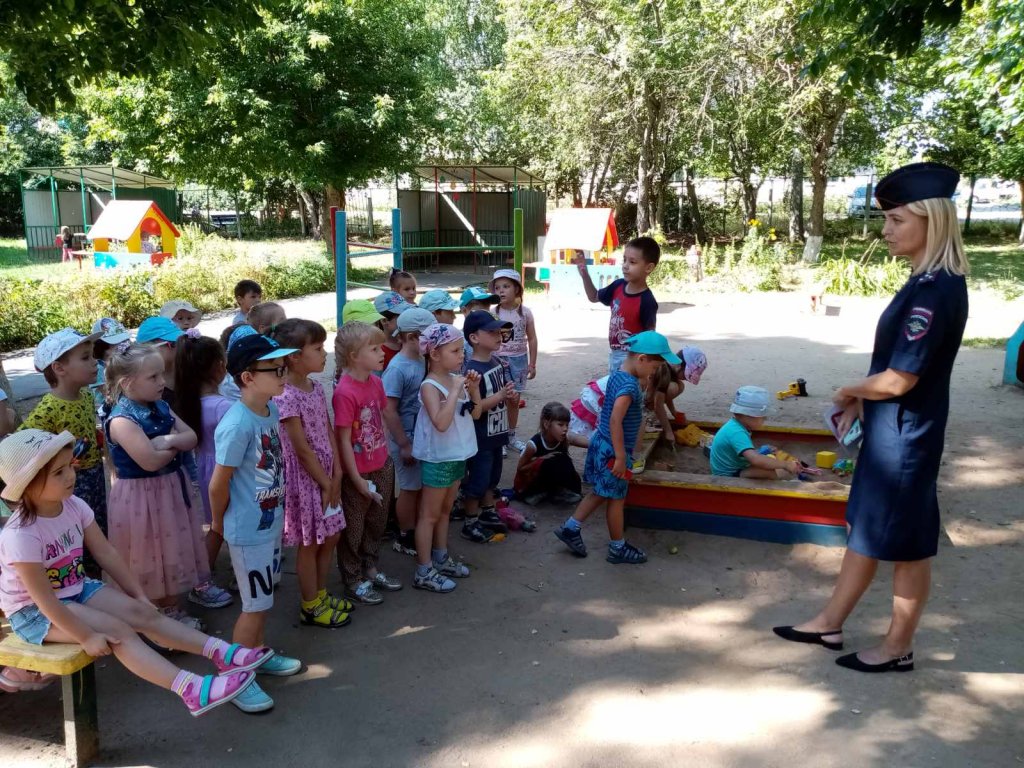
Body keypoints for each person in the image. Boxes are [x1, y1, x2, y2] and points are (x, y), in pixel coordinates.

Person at [774, 162, 970, 674]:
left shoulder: (936, 291)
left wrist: (849, 390)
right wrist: (864, 400)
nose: (886, 230)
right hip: (890, 434)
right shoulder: (922, 281)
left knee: (908, 548)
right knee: (864, 528)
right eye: (887, 218)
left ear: (932, 220)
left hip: (906, 440)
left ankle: (897, 647)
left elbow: (899, 380)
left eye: (897, 219)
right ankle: (829, 622)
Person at [0, 429, 271, 716]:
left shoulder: (73, 505)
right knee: (117, 632)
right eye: (58, 472)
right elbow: (45, 601)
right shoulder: (22, 534)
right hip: (34, 612)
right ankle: (192, 689)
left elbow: (106, 553)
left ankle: (224, 654)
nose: (70, 476)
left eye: (69, 466)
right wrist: (86, 636)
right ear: (28, 484)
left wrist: (139, 595)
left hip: (74, 589)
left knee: (144, 614)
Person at [209, 334, 304, 712]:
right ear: (247, 377)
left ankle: (257, 654)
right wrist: (218, 525)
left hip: (268, 522)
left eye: (284, 367)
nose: (284, 375)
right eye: (275, 370)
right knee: (253, 605)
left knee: (263, 601)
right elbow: (218, 484)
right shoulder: (237, 424)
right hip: (247, 530)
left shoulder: (270, 410)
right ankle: (233, 679)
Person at [103, 344, 208, 629]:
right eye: (153, 377)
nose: (162, 381)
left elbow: (191, 437)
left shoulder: (160, 405)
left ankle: (170, 607)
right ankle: (152, 615)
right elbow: (149, 461)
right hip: (141, 498)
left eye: (161, 374)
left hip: (169, 490)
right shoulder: (122, 420)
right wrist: (175, 446)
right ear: (127, 383)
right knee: (147, 554)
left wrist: (168, 441)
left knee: (171, 548)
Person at [553, 332, 679, 565]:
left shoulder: (618, 375)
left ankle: (571, 528)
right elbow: (615, 420)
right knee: (616, 498)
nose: (653, 374)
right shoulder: (629, 386)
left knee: (602, 492)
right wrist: (621, 457)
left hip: (603, 443)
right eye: (654, 368)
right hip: (614, 451)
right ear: (642, 359)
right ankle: (617, 548)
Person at [270, 319, 351, 629]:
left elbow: (327, 429)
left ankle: (320, 594)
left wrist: (338, 471)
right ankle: (310, 606)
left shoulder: (316, 387)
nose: (324, 354)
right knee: (312, 542)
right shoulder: (285, 395)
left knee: (331, 536)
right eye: (317, 349)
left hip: (327, 474)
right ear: (294, 357)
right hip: (307, 479)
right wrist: (327, 482)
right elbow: (301, 450)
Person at [332, 321, 402, 605]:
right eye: (374, 349)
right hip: (357, 473)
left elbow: (383, 417)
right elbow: (343, 439)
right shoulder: (344, 392)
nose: (382, 353)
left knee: (377, 520)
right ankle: (352, 579)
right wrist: (356, 479)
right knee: (354, 527)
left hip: (381, 464)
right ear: (354, 356)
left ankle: (370, 567)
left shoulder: (376, 382)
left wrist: (389, 452)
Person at [411, 324, 481, 593]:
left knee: (444, 511)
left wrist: (473, 389)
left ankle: (440, 558)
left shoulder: (455, 378)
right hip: (438, 459)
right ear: (435, 355)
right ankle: (423, 570)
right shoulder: (430, 386)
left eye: (462, 350)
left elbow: (475, 414)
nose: (462, 355)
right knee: (428, 515)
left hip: (456, 455)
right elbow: (440, 423)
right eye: (455, 350)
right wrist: (454, 391)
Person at [20, 328, 106, 539]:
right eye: (85, 357)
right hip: (69, 484)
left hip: (96, 475)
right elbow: (21, 444)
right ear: (59, 368)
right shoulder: (49, 409)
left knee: (99, 527)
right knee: (77, 534)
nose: (95, 362)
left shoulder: (86, 395)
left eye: (92, 355)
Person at [172, 334, 235, 609]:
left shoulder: (187, 402)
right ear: (220, 366)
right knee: (221, 527)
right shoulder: (224, 407)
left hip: (204, 469)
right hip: (225, 472)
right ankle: (201, 582)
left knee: (219, 525)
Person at [382, 307, 435, 557]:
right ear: (412, 337)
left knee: (421, 486)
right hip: (405, 439)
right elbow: (388, 409)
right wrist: (404, 444)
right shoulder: (397, 368)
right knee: (410, 488)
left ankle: (418, 529)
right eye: (428, 336)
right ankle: (405, 535)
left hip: (422, 437)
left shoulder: (423, 359)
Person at [461, 310, 517, 543]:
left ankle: (487, 511)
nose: (498, 335)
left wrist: (508, 396)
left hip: (496, 433)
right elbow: (474, 409)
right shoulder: (472, 371)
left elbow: (499, 394)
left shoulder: (495, 361)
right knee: (478, 480)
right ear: (474, 338)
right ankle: (469, 521)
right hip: (480, 437)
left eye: (498, 331)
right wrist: (500, 396)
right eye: (492, 332)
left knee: (492, 478)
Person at [575, 236, 661, 374]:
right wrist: (585, 275)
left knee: (623, 387)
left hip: (633, 359)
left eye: (632, 262)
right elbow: (594, 296)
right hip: (615, 354)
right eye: (624, 260)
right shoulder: (617, 286)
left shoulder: (647, 301)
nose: (625, 265)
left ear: (649, 267)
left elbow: (650, 337)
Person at [709, 387, 803, 479]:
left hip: (735, 465)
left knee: (770, 459)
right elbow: (756, 459)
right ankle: (784, 482)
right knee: (772, 472)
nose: (765, 419)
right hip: (728, 475)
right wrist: (785, 465)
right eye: (763, 417)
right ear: (749, 415)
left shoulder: (735, 425)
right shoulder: (737, 433)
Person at [490, 269, 537, 453]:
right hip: (497, 360)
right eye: (497, 287)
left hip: (519, 361)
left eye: (506, 286)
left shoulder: (525, 313)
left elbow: (532, 338)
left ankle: (511, 436)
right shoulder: (493, 313)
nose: (501, 291)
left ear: (517, 289)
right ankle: (499, 439)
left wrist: (532, 364)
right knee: (497, 399)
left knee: (514, 399)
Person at [515, 402, 582, 506]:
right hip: (532, 480)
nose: (565, 429)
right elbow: (520, 469)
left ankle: (556, 491)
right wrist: (540, 460)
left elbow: (579, 440)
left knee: (564, 461)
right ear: (546, 424)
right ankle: (539, 492)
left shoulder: (563, 438)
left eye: (567, 425)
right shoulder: (533, 445)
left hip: (550, 477)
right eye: (560, 425)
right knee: (551, 461)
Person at [136, 316, 184, 410]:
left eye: (181, 342)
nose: (181, 346)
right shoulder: (145, 386)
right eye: (174, 344)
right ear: (151, 348)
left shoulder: (186, 369)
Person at [90, 318, 132, 408]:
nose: (122, 346)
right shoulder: (98, 368)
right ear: (101, 347)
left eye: (123, 341)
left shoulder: (121, 360)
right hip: (105, 408)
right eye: (116, 344)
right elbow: (109, 395)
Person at [373, 291, 413, 372]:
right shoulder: (378, 353)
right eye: (402, 316)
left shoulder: (412, 341)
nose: (408, 318)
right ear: (384, 321)